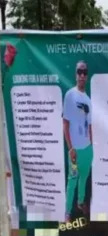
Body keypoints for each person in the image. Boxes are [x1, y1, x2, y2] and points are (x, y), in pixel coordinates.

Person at [63, 60, 93, 223]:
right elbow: (65, 123)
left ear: (87, 76)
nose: (82, 75)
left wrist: (92, 147)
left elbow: (90, 126)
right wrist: (70, 148)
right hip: (74, 149)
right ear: (75, 74)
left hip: (87, 149)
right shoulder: (70, 95)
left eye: (85, 72)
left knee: (84, 177)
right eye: (79, 72)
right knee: (72, 180)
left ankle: (81, 203)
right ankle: (67, 212)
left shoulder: (88, 99)